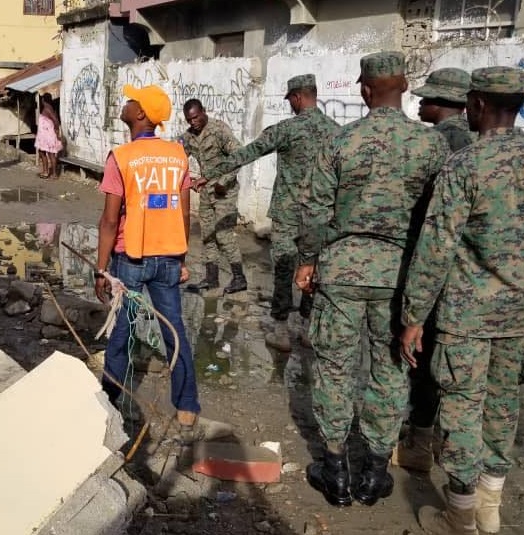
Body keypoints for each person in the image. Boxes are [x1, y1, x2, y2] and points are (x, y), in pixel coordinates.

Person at [399, 66, 524, 535]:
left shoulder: (465, 166)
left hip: (466, 319)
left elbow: (435, 248)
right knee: (502, 412)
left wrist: (414, 316)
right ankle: (490, 512)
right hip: (519, 317)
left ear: (476, 105)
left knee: (462, 413)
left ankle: (459, 515)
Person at [296, 51, 449, 507]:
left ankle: (335, 469)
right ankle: (374, 474)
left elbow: (316, 211)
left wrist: (308, 261)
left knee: (333, 369)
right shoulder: (432, 146)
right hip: (400, 277)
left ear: (364, 89)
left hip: (341, 273)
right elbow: (437, 222)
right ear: (404, 86)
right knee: (390, 371)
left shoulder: (341, 142)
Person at [95, 84, 202, 439]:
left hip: (132, 258)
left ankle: (108, 398)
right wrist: (181, 257)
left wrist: (101, 269)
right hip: (169, 257)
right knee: (175, 331)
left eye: (131, 100)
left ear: (140, 114)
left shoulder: (121, 157)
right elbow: (184, 212)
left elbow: (110, 220)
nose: (125, 102)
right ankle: (187, 407)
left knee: (122, 331)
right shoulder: (177, 155)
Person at [209, 74, 339, 351]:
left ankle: (280, 331)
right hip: (321, 216)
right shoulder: (337, 131)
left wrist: (210, 173)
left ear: (297, 97)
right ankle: (306, 328)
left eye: (291, 100)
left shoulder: (287, 129)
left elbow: (248, 153)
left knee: (283, 268)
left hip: (288, 214)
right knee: (313, 269)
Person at [394, 67, 475, 474]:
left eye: (426, 100)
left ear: (444, 104)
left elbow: (421, 218)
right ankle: (451, 445)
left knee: (418, 357)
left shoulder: (433, 143)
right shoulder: (483, 142)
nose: (421, 105)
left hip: (432, 269)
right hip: (477, 283)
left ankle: (417, 443)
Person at [180, 99, 247, 295]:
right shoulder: (189, 136)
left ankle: (239, 278)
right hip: (206, 191)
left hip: (224, 191)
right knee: (208, 234)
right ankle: (211, 278)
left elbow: (239, 154)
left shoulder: (218, 130)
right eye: (189, 119)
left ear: (203, 112)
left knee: (223, 235)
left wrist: (224, 180)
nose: (193, 122)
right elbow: (176, 155)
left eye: (196, 117)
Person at [413, 68, 475, 152]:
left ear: (439, 101)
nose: (421, 102)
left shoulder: (429, 138)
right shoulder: (478, 134)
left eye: (426, 97)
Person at [34, 93, 62, 179]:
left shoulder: (47, 109)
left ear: (43, 100)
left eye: (42, 99)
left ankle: (54, 174)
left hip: (48, 136)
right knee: (42, 152)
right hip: (44, 136)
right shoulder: (48, 108)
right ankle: (46, 172)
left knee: (51, 154)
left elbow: (56, 121)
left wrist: (56, 130)